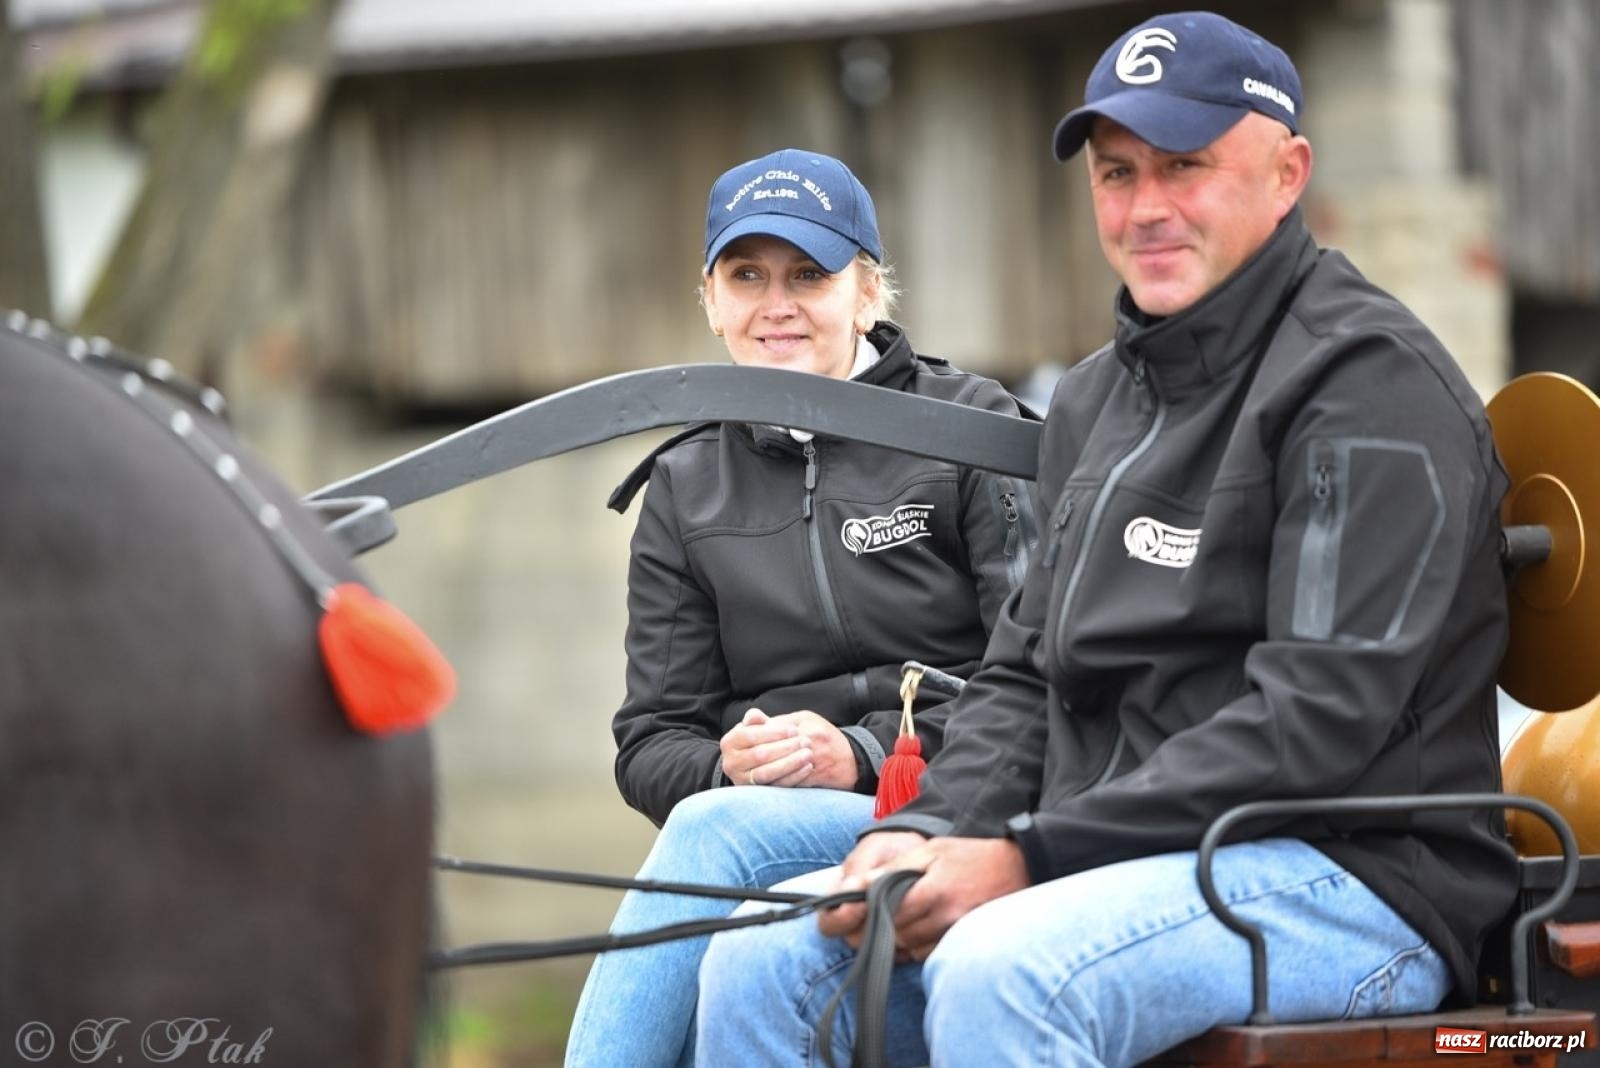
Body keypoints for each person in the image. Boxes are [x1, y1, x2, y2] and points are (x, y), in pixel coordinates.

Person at [694, 13, 1518, 1067]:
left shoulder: (1367, 385)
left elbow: (1313, 726)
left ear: (1286, 172)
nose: (1146, 209)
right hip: (1125, 854)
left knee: (1006, 969)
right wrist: (917, 827)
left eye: (1186, 166)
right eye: (1117, 174)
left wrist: (1029, 854)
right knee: (769, 948)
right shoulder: (1093, 399)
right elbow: (1023, 674)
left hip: (1351, 871)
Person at [564, 148, 1039, 1066]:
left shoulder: (973, 429)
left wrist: (861, 755)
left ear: (868, 292)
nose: (775, 303)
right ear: (709, 298)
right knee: (716, 848)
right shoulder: (682, 484)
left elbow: (1041, 676)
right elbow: (651, 741)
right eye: (747, 275)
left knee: (714, 836)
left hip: (956, 801)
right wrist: (727, 768)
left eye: (808, 275)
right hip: (765, 826)